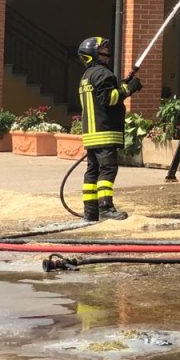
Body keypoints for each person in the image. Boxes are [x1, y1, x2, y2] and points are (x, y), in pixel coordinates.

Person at [76, 37, 142, 222]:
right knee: (108, 170)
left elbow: (102, 95)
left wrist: (123, 84)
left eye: (107, 53)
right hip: (105, 132)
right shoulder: (103, 74)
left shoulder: (87, 77)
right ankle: (106, 208)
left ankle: (90, 212)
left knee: (92, 171)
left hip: (91, 133)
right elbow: (109, 99)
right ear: (92, 56)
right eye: (102, 53)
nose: (106, 56)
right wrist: (129, 89)